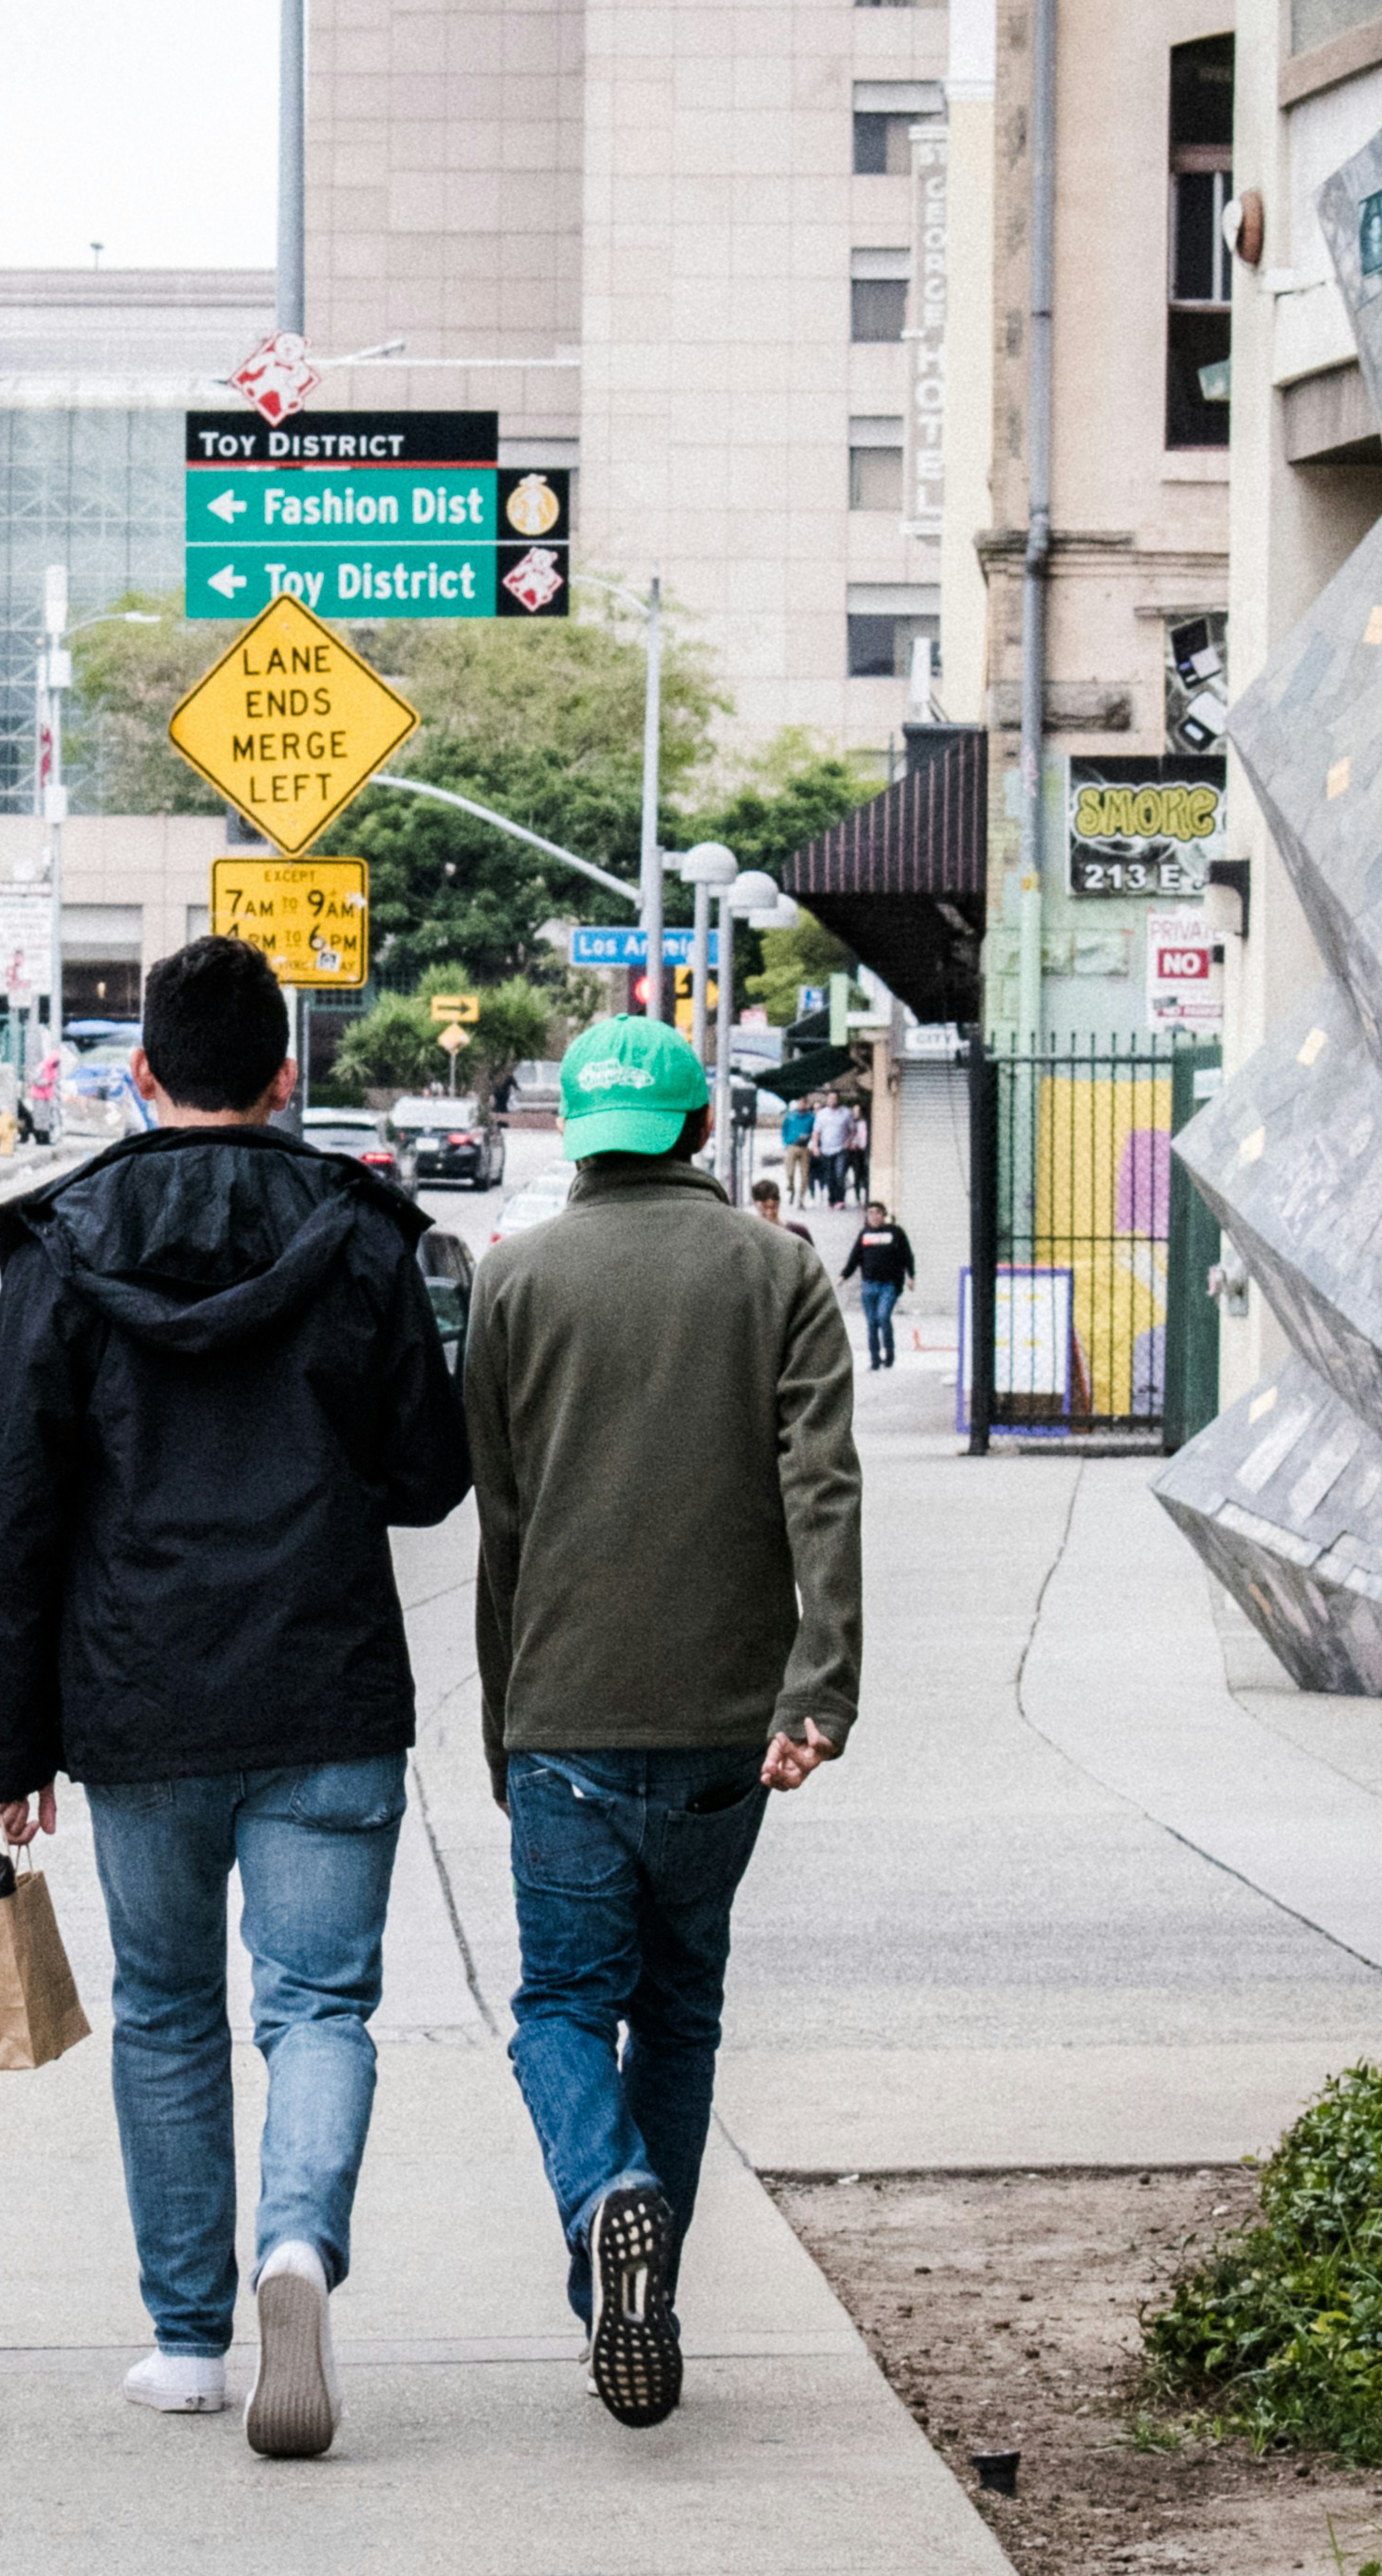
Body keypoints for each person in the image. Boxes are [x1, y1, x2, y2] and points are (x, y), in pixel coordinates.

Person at [0, 931, 472, 2460]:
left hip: (136, 1703)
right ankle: (296, 2248)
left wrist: (8, 1748)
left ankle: (187, 2344)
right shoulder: (361, 1237)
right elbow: (429, 1478)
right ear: (281, 1076)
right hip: (322, 1685)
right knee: (314, 2007)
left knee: (164, 2013)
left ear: (139, 1074)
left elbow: (9, 1522)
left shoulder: (57, 1248)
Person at [460, 1015, 861, 2433]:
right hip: (728, 1728)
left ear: (577, 1141)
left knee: (562, 2010)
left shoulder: (514, 1284)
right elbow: (824, 1488)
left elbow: (502, 1525)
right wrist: (821, 1690)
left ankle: (605, 2199)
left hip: (562, 1713)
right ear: (699, 1135)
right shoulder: (781, 1273)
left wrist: (505, 1716)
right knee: (677, 2016)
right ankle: (640, 2293)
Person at [843, 1200, 916, 1371]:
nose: (874, 1216)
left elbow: (907, 1255)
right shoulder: (865, 1235)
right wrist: (844, 1275)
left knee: (883, 1317)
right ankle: (875, 1359)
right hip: (869, 1285)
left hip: (888, 1285)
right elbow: (855, 1257)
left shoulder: (895, 1233)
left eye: (877, 1213)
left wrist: (911, 1276)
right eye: (870, 1213)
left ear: (884, 1215)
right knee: (871, 1323)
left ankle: (889, 1353)